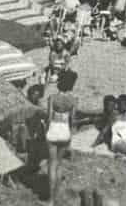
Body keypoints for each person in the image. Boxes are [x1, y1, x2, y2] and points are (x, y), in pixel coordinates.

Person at [45, 69, 77, 204]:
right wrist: (71, 138)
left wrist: (45, 130)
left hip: (53, 128)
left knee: (52, 164)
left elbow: (48, 118)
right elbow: (72, 121)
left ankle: (51, 200)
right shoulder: (73, 100)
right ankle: (56, 197)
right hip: (65, 130)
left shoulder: (52, 98)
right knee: (59, 164)